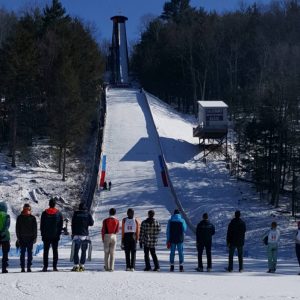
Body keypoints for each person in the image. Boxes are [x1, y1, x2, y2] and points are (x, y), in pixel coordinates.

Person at [40, 198, 63, 272]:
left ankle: (45, 266)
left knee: (46, 251)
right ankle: (54, 266)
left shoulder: (44, 213)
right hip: (55, 235)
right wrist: (59, 234)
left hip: (46, 235)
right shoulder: (58, 213)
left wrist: (42, 234)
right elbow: (60, 225)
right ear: (55, 204)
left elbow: (42, 225)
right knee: (55, 251)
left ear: (49, 204)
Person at [71, 202, 94, 272]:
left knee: (76, 250)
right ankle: (82, 265)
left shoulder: (76, 213)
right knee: (83, 250)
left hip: (76, 234)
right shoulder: (87, 214)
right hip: (84, 235)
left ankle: (76, 265)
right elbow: (92, 223)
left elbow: (73, 223)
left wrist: (73, 233)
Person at [16, 204, 37, 272]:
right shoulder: (32, 218)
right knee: (29, 253)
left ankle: (22, 268)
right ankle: (29, 267)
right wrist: (35, 237)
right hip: (30, 238)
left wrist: (18, 237)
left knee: (22, 253)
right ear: (29, 209)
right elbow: (35, 229)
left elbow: (17, 229)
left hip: (22, 237)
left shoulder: (19, 217)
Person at [0, 202, 10, 273]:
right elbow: (7, 226)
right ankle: (4, 268)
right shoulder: (7, 216)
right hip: (5, 237)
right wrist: (2, 233)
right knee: (5, 253)